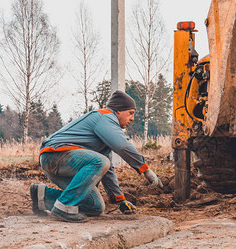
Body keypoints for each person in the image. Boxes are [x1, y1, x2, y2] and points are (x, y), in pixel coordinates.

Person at [30, 90, 163, 222]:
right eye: (130, 113)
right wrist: (145, 169)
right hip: (55, 155)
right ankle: (64, 207)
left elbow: (108, 169)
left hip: (62, 161)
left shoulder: (104, 133)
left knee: (95, 205)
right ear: (118, 111)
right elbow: (123, 146)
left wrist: (119, 199)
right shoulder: (105, 117)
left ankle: (42, 196)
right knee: (100, 162)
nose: (132, 118)